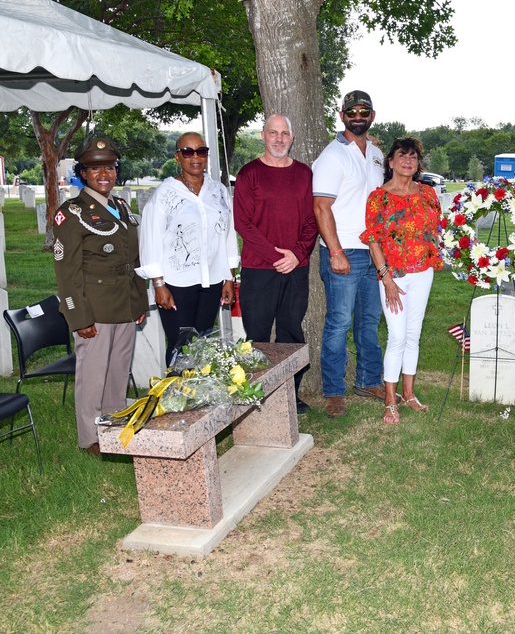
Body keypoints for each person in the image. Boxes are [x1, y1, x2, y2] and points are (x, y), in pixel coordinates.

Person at [52, 137, 146, 456]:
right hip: (95, 309)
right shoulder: (72, 213)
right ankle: (90, 438)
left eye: (109, 167)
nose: (103, 173)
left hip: (124, 306)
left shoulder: (119, 207)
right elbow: (67, 273)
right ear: (82, 173)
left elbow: (132, 261)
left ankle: (115, 425)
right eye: (95, 168)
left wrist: (139, 302)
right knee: (93, 376)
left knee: (118, 372)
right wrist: (79, 317)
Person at [234, 114, 318, 414]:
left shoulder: (304, 174)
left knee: (291, 333)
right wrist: (275, 256)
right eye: (273, 133)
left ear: (292, 138)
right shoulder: (248, 174)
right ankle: (255, 397)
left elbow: (312, 221)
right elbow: (243, 223)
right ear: (263, 135)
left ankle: (289, 396)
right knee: (257, 335)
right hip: (259, 269)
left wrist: (296, 254)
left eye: (284, 133)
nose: (279, 139)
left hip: (296, 269)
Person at [312, 90, 387, 418]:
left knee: (370, 321)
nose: (358, 116)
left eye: (364, 111)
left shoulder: (376, 153)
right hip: (344, 251)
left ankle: (369, 380)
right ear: (341, 115)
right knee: (339, 322)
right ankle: (333, 391)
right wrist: (335, 251)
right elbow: (321, 206)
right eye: (351, 111)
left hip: (374, 252)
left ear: (372, 115)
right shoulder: (332, 156)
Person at [361, 137, 443, 423]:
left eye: (413, 157)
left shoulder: (429, 194)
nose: (408, 161)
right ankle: (389, 400)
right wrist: (387, 280)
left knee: (413, 335)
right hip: (393, 277)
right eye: (402, 156)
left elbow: (434, 231)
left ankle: (408, 395)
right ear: (391, 162)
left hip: (423, 273)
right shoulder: (378, 197)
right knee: (396, 336)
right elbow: (373, 241)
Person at [138, 132, 239, 364]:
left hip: (212, 281)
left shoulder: (219, 191)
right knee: (179, 346)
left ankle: (198, 397)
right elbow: (150, 240)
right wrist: (159, 284)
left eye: (201, 151)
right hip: (176, 284)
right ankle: (175, 396)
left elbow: (227, 235)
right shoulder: (165, 194)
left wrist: (228, 278)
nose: (195, 157)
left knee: (202, 344)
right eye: (188, 152)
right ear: (177, 156)